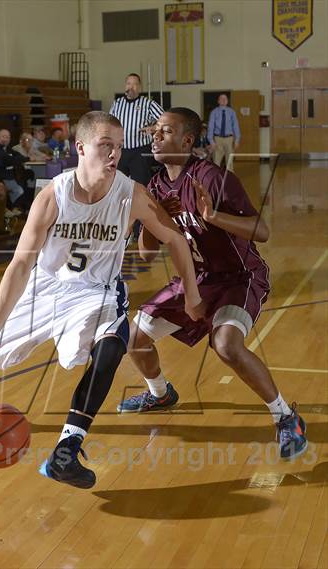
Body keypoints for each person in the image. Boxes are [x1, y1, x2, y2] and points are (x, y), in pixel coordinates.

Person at [0, 111, 205, 489]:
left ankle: (67, 449)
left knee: (113, 344)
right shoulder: (54, 195)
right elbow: (20, 264)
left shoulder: (131, 194)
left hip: (96, 291)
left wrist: (193, 293)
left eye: (118, 146)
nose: (114, 153)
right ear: (80, 148)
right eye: (105, 145)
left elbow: (175, 240)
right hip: (46, 286)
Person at [117, 107, 307, 461]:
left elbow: (262, 231)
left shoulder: (214, 178)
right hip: (197, 278)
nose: (156, 136)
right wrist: (154, 217)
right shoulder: (157, 185)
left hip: (240, 277)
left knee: (226, 345)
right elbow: (145, 255)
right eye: (155, 131)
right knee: (135, 339)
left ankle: (286, 418)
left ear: (187, 140)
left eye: (166, 131)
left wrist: (212, 217)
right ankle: (159, 393)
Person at [109, 73, 164, 186]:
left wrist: (154, 128)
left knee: (141, 185)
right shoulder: (117, 103)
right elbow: (110, 123)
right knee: (118, 184)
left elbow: (166, 120)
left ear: (140, 87)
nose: (131, 87)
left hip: (140, 151)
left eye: (135, 84)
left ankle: (142, 204)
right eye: (129, 83)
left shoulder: (148, 103)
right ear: (125, 86)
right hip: (121, 150)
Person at [207, 94, 240, 171]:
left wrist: (237, 139)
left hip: (229, 139)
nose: (223, 100)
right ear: (218, 101)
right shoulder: (214, 112)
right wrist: (211, 141)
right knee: (216, 161)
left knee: (229, 162)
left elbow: (235, 126)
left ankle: (229, 179)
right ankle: (216, 179)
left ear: (227, 101)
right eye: (221, 99)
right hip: (217, 139)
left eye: (225, 99)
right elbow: (211, 127)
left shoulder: (232, 112)